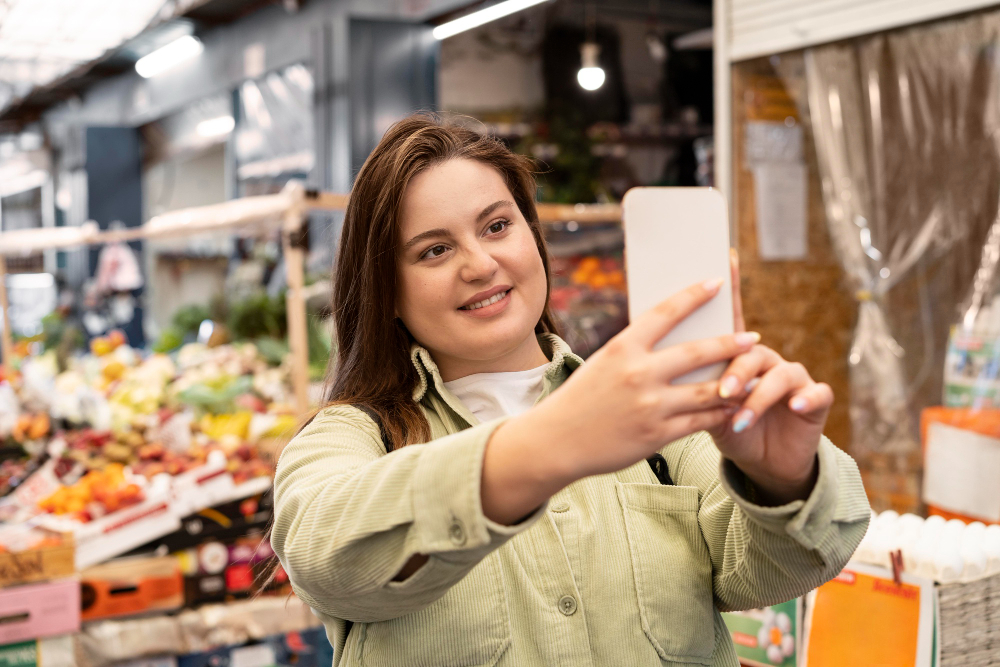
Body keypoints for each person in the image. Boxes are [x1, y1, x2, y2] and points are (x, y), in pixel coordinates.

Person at [270, 114, 871, 667]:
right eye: (434, 250)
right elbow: (326, 555)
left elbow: (774, 572)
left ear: (534, 239)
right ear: (388, 292)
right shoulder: (352, 437)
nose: (479, 263)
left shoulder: (663, 419)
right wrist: (552, 443)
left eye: (498, 226)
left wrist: (783, 480)